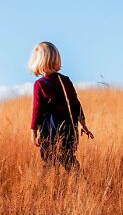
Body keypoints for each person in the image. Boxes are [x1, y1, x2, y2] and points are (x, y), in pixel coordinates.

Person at [28, 41, 93, 171]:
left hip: (49, 131)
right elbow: (75, 103)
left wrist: (33, 131)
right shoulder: (65, 80)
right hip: (69, 129)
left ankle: (54, 187)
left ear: (37, 62)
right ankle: (78, 184)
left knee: (49, 163)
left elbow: (36, 110)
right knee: (69, 159)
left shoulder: (39, 84)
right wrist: (83, 123)